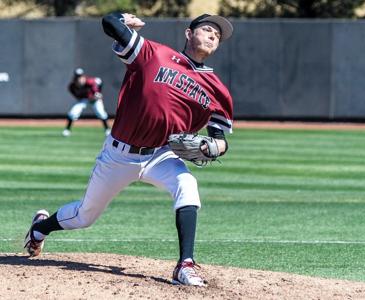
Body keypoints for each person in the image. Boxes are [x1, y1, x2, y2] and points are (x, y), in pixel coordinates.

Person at [24, 12, 233, 286]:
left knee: (187, 184)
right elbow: (109, 24)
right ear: (188, 33)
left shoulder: (218, 90)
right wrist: (123, 19)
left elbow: (220, 139)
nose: (212, 36)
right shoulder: (153, 53)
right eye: (207, 30)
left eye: (217, 36)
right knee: (85, 215)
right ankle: (40, 228)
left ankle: (185, 265)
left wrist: (212, 146)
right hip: (119, 154)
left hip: (160, 155)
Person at [62, 68, 111, 137]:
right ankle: (67, 130)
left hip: (94, 99)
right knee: (73, 112)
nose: (79, 79)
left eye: (80, 77)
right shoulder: (72, 86)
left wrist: (98, 93)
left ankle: (107, 129)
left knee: (101, 113)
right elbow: (77, 96)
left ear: (83, 76)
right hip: (84, 99)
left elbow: (98, 82)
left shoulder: (90, 82)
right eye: (77, 77)